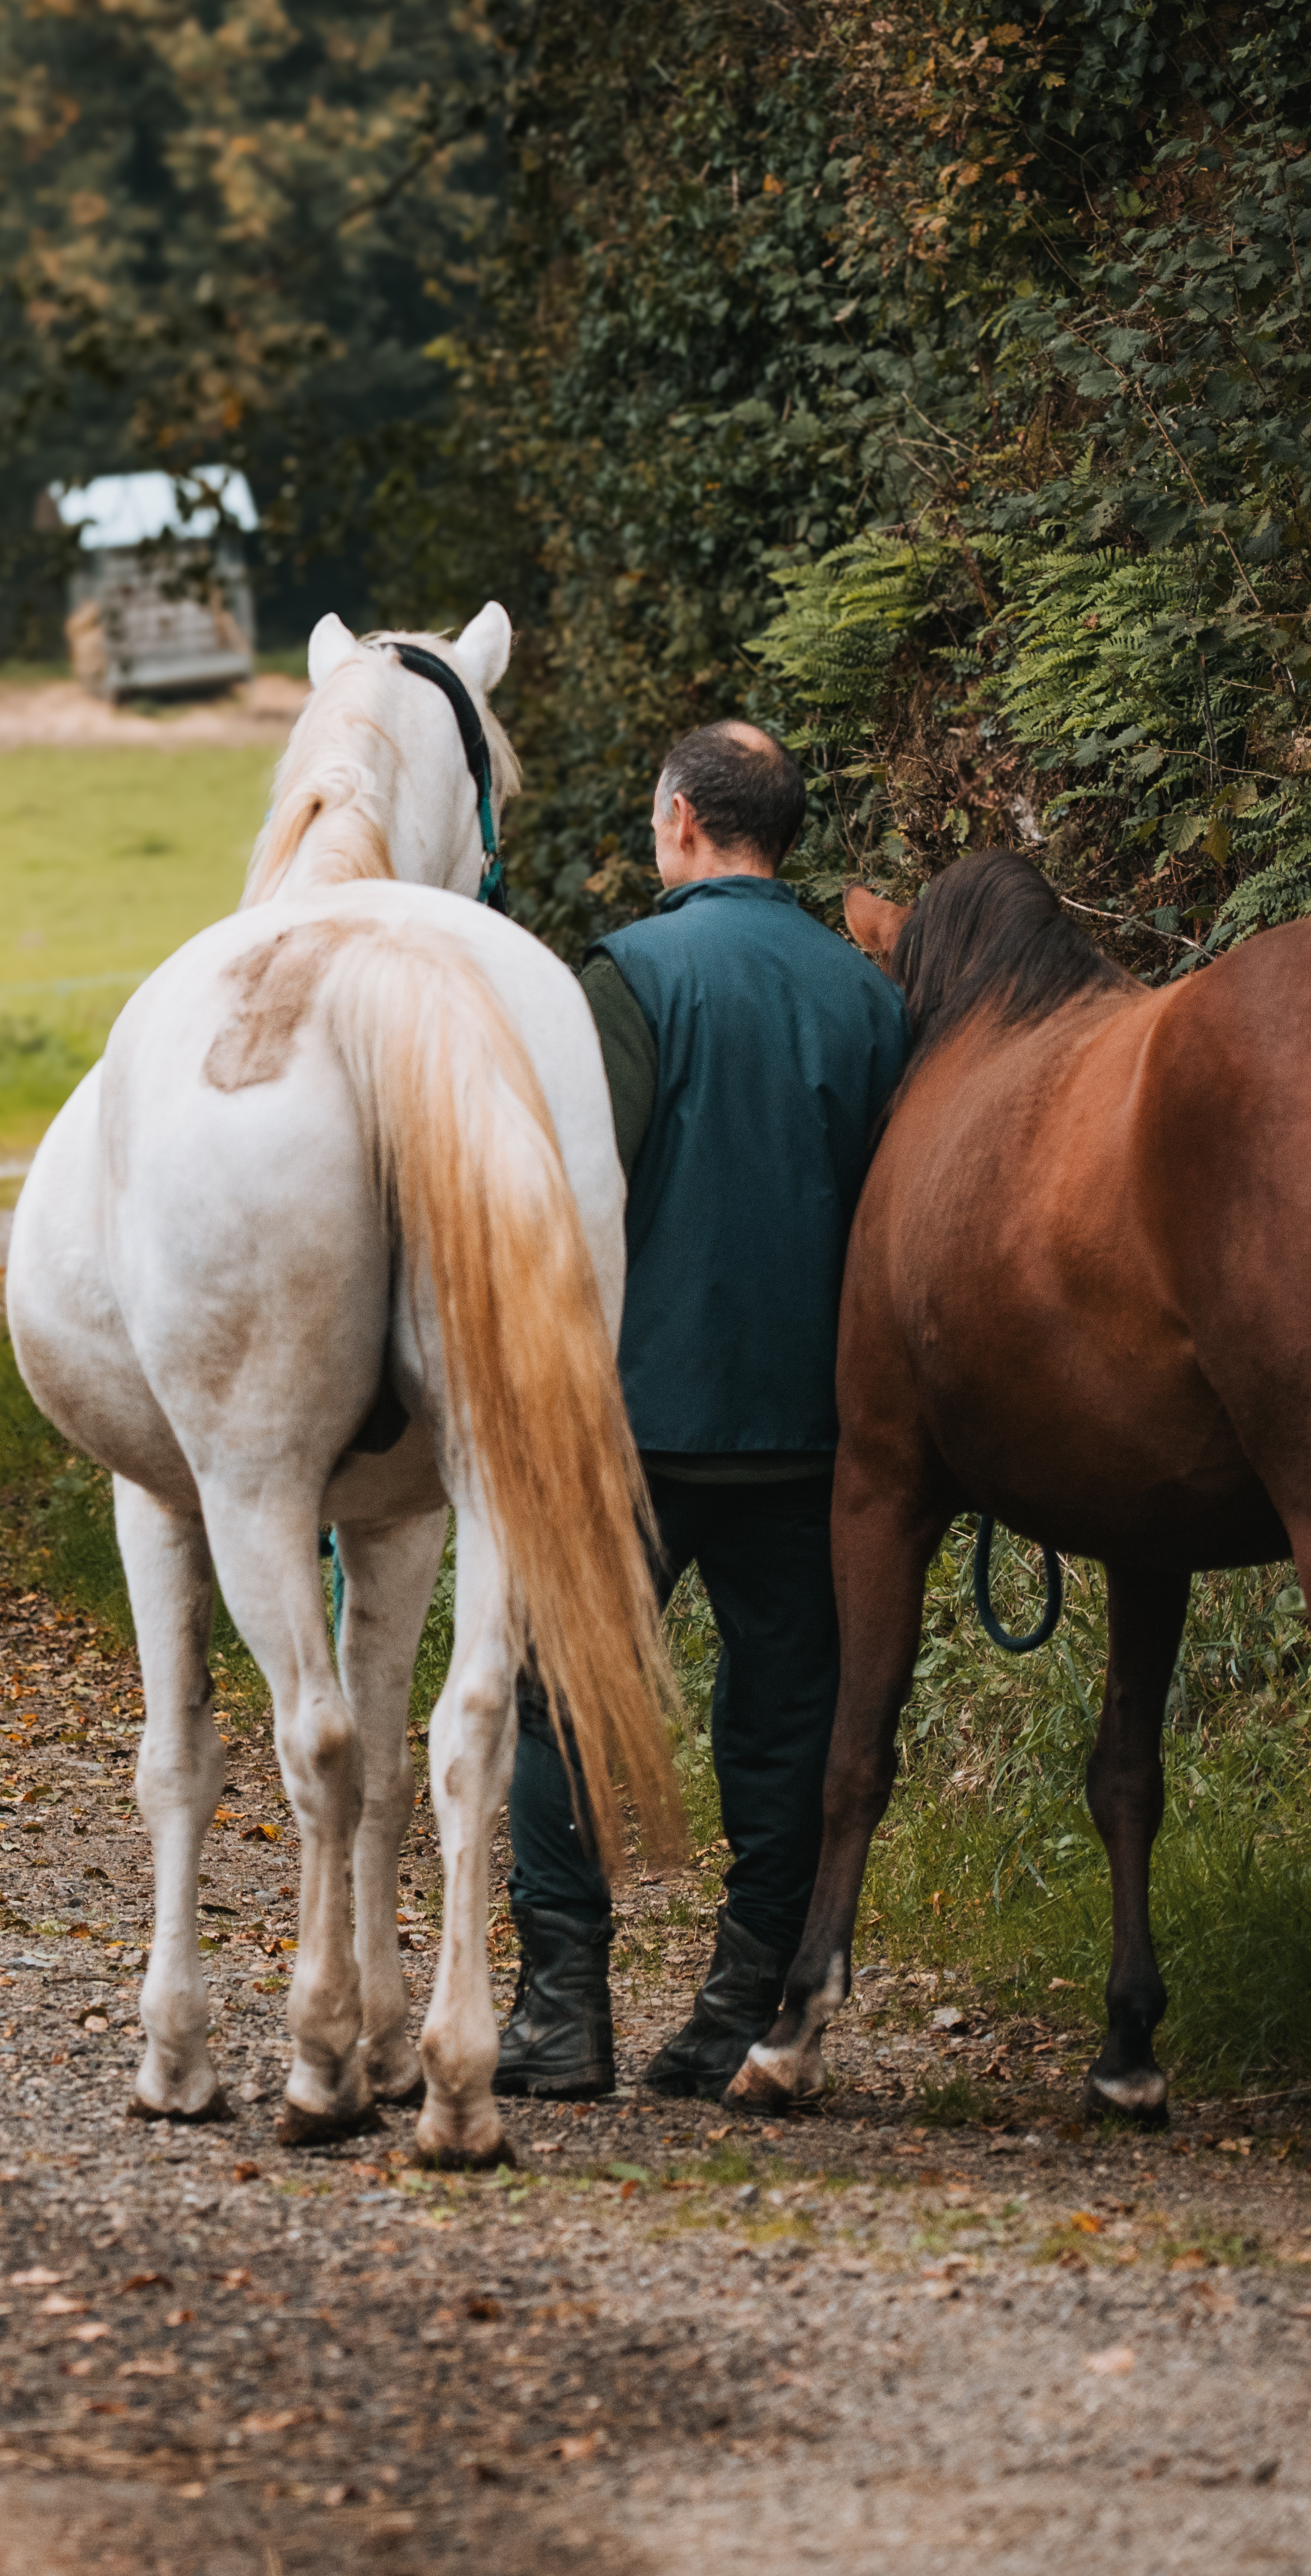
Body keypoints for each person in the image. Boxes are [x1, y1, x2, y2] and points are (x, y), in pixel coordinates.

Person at [492, 718, 906, 2101]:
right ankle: (737, 2008)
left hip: (634, 1417)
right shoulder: (869, 998)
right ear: (784, 834)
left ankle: (565, 2015)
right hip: (813, 1430)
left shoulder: (627, 971)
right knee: (785, 1717)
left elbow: (581, 1196)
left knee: (563, 1705)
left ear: (679, 819)